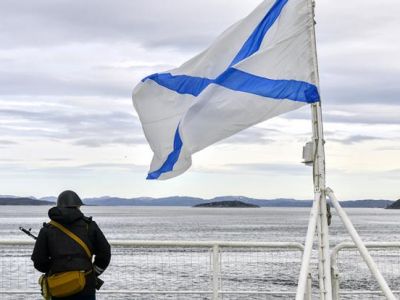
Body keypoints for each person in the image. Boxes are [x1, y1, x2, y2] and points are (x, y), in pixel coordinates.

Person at [31, 190, 111, 300]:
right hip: (86, 285)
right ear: (78, 206)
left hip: (58, 286)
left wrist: (54, 269)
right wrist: (94, 273)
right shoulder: (90, 226)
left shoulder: (47, 230)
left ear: (58, 206)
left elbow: (39, 260)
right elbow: (105, 253)